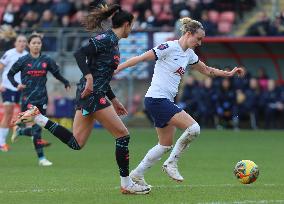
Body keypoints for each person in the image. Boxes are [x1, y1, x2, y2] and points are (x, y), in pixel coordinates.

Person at [13, 4, 150, 195]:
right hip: (91, 94)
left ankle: (39, 118)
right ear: (126, 24)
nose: (132, 29)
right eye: (132, 25)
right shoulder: (106, 39)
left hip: (91, 94)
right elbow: (79, 54)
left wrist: (114, 99)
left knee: (76, 143)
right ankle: (127, 184)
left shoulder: (114, 43)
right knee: (123, 135)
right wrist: (88, 77)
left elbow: (102, 74)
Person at [115, 17, 245, 187]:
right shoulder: (169, 47)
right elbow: (140, 58)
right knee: (194, 128)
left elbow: (206, 70)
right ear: (188, 33)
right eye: (198, 38)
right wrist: (116, 69)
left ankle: (137, 175)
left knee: (164, 144)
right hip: (157, 99)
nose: (200, 43)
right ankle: (171, 163)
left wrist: (228, 74)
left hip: (162, 101)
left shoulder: (189, 54)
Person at [7, 33, 70, 166]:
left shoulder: (46, 59)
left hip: (42, 98)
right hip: (28, 99)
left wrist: (65, 81)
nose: (36, 45)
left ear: (41, 45)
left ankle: (21, 131)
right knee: (37, 129)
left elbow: (56, 73)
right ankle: (41, 159)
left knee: (39, 127)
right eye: (34, 43)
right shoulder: (23, 60)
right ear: (29, 45)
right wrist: (16, 85)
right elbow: (10, 74)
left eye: (38, 43)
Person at [0, 35, 28, 152]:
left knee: (24, 111)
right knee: (8, 113)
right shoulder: (10, 53)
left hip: (20, 87)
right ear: (15, 43)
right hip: (8, 86)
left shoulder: (27, 55)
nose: (22, 43)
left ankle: (19, 129)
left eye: (24, 41)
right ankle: (1, 143)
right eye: (19, 41)